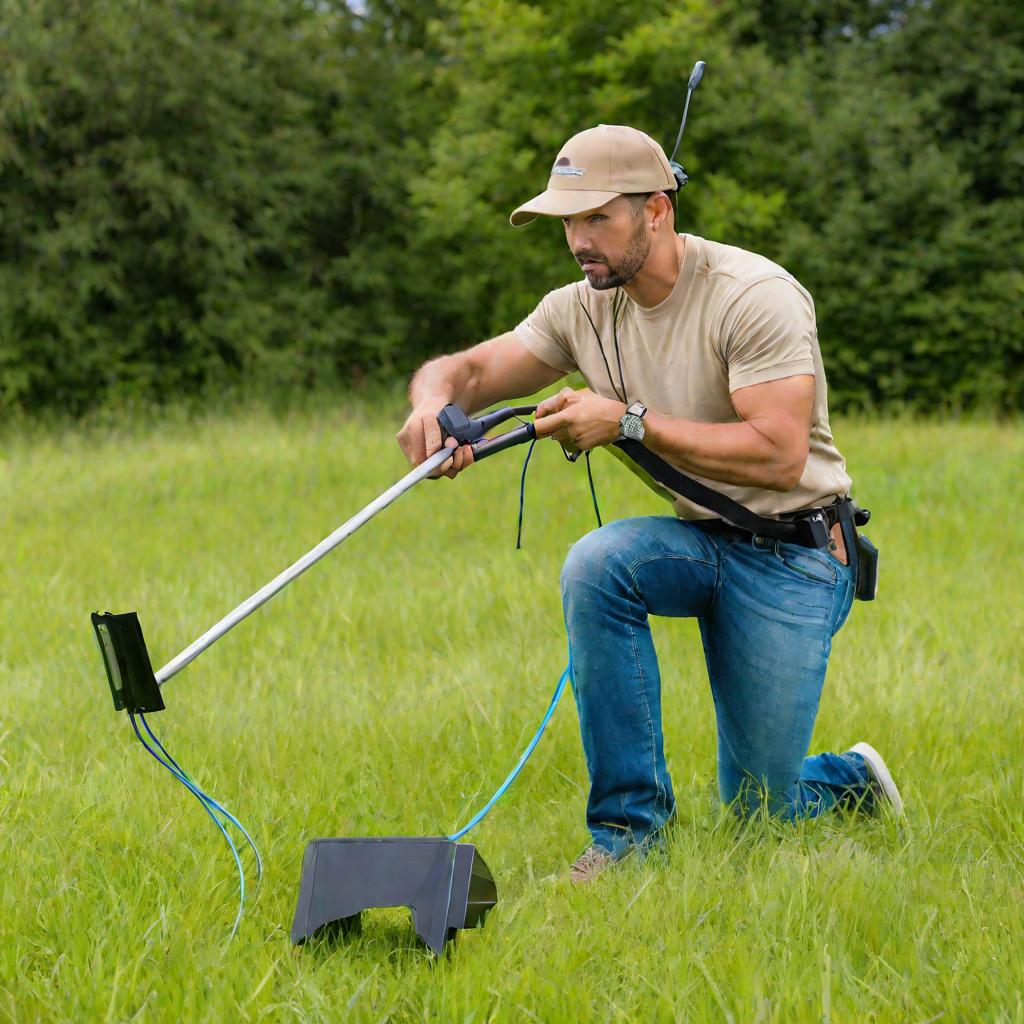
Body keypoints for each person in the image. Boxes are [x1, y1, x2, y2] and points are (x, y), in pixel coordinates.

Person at [397, 124, 903, 883]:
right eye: (568, 220)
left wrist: (626, 421)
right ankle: (629, 838)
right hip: (698, 541)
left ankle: (849, 780)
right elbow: (468, 368)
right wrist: (433, 404)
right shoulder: (581, 307)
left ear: (657, 211)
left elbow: (779, 452)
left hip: (795, 554)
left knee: (761, 813)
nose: (577, 240)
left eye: (597, 216)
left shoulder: (753, 296)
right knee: (598, 564)